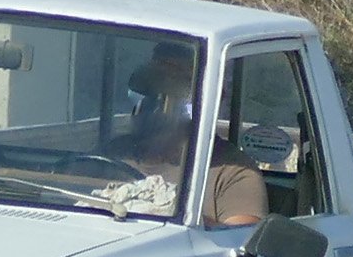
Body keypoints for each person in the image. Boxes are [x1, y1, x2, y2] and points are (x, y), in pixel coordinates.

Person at [106, 44, 266, 228]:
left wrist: (165, 212)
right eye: (152, 91)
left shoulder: (232, 173)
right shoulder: (114, 153)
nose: (158, 105)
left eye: (175, 92)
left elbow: (240, 239)